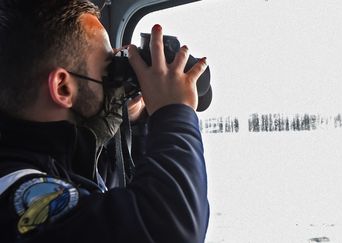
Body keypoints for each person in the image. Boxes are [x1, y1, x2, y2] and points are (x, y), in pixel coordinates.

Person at [0, 0, 210, 242]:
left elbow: (122, 204)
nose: (117, 86)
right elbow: (168, 230)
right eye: (109, 73)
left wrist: (138, 121)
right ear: (63, 87)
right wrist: (174, 111)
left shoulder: (64, 161)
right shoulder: (13, 192)